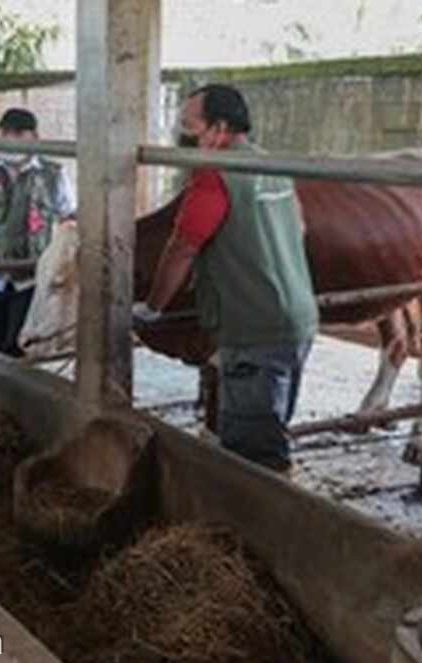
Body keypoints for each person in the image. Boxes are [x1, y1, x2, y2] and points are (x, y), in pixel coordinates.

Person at [134, 84, 317, 475]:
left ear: (218, 129)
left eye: (189, 127)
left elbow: (183, 247)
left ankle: (263, 526)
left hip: (254, 329)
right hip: (299, 319)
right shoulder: (272, 166)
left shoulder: (215, 175)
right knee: (272, 429)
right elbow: (299, 228)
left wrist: (152, 307)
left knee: (253, 454)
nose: (182, 137)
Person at [0, 107, 75, 357]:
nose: (10, 138)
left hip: (29, 275)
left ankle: (14, 393)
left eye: (17, 132)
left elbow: (68, 214)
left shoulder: (53, 173)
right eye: (5, 132)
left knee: (17, 345)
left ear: (34, 137)